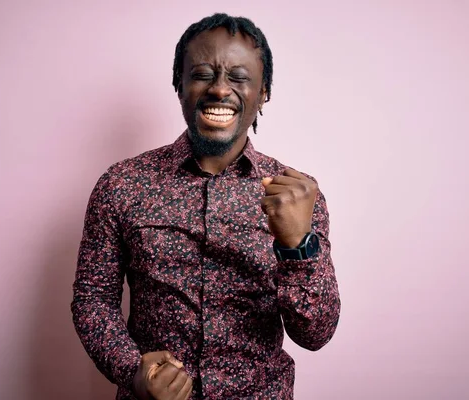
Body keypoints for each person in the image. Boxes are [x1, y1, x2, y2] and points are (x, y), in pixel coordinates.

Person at [71, 13, 341, 400]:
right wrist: (133, 371)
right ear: (179, 85)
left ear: (264, 92)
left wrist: (298, 245)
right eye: (201, 74)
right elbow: (92, 301)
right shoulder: (122, 185)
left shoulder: (297, 195)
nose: (219, 90)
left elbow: (315, 334)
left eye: (239, 77)